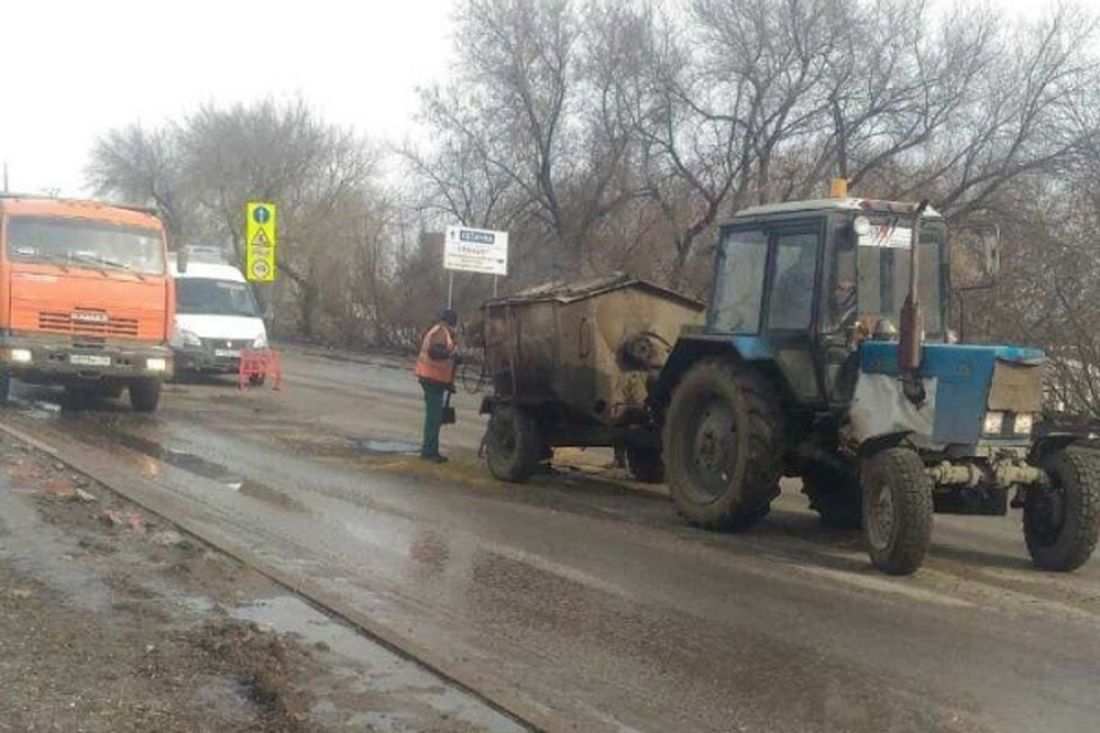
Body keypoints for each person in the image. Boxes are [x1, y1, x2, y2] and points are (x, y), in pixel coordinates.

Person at [415, 309, 460, 462]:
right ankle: (429, 452)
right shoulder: (441, 332)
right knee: (434, 418)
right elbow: (434, 351)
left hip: (432, 379)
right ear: (451, 322)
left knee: (433, 417)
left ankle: (430, 450)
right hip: (432, 378)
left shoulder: (440, 331)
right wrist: (451, 355)